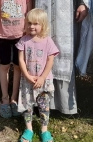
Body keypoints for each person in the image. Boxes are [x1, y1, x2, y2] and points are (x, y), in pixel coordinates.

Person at [16, 8, 59, 142]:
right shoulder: (23, 41)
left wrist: (42, 77)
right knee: (27, 105)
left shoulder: (48, 41)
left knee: (43, 106)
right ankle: (28, 129)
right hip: (27, 80)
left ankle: (44, 130)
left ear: (43, 25)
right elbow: (21, 60)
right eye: (29, 23)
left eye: (35, 23)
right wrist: (28, 76)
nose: (31, 26)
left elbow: (50, 61)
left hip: (43, 81)